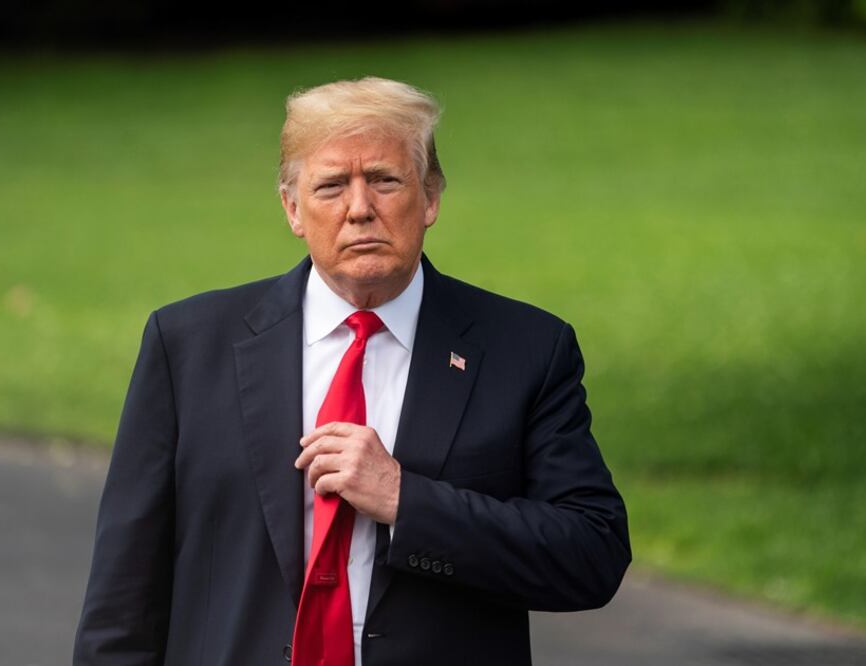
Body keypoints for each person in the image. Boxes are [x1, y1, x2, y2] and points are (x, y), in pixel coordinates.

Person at [73, 76, 630, 666]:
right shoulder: (187, 346)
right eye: (331, 185)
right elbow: (122, 600)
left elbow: (591, 556)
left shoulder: (526, 350)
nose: (360, 209)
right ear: (293, 208)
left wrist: (407, 501)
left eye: (385, 180)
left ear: (431, 197)